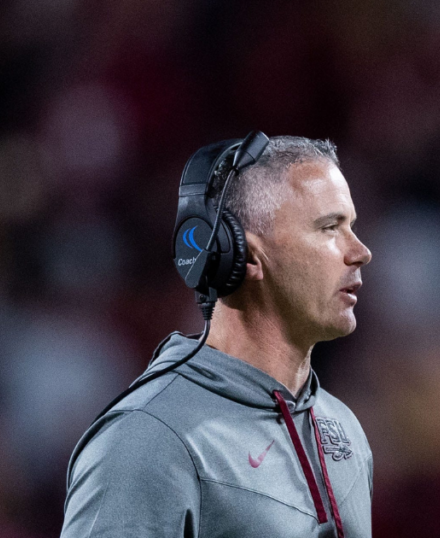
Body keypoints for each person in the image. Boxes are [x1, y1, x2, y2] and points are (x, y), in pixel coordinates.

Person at [62, 135, 373, 538]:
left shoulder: (343, 429)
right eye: (329, 227)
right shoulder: (148, 441)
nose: (360, 250)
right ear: (244, 254)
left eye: (352, 226)